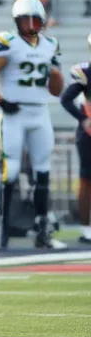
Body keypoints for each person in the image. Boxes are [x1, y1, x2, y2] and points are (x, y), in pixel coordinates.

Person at [0, 0, 64, 250]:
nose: (31, 24)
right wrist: (1, 101)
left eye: (35, 19)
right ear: (17, 21)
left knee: (43, 171)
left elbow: (57, 91)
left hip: (39, 112)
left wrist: (56, 75)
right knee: (10, 171)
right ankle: (3, 229)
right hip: (14, 114)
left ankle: (42, 228)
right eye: (26, 19)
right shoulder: (7, 43)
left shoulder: (50, 45)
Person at [58, 34, 91, 245]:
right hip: (89, 133)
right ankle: (86, 227)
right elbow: (66, 98)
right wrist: (84, 119)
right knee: (87, 179)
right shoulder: (86, 71)